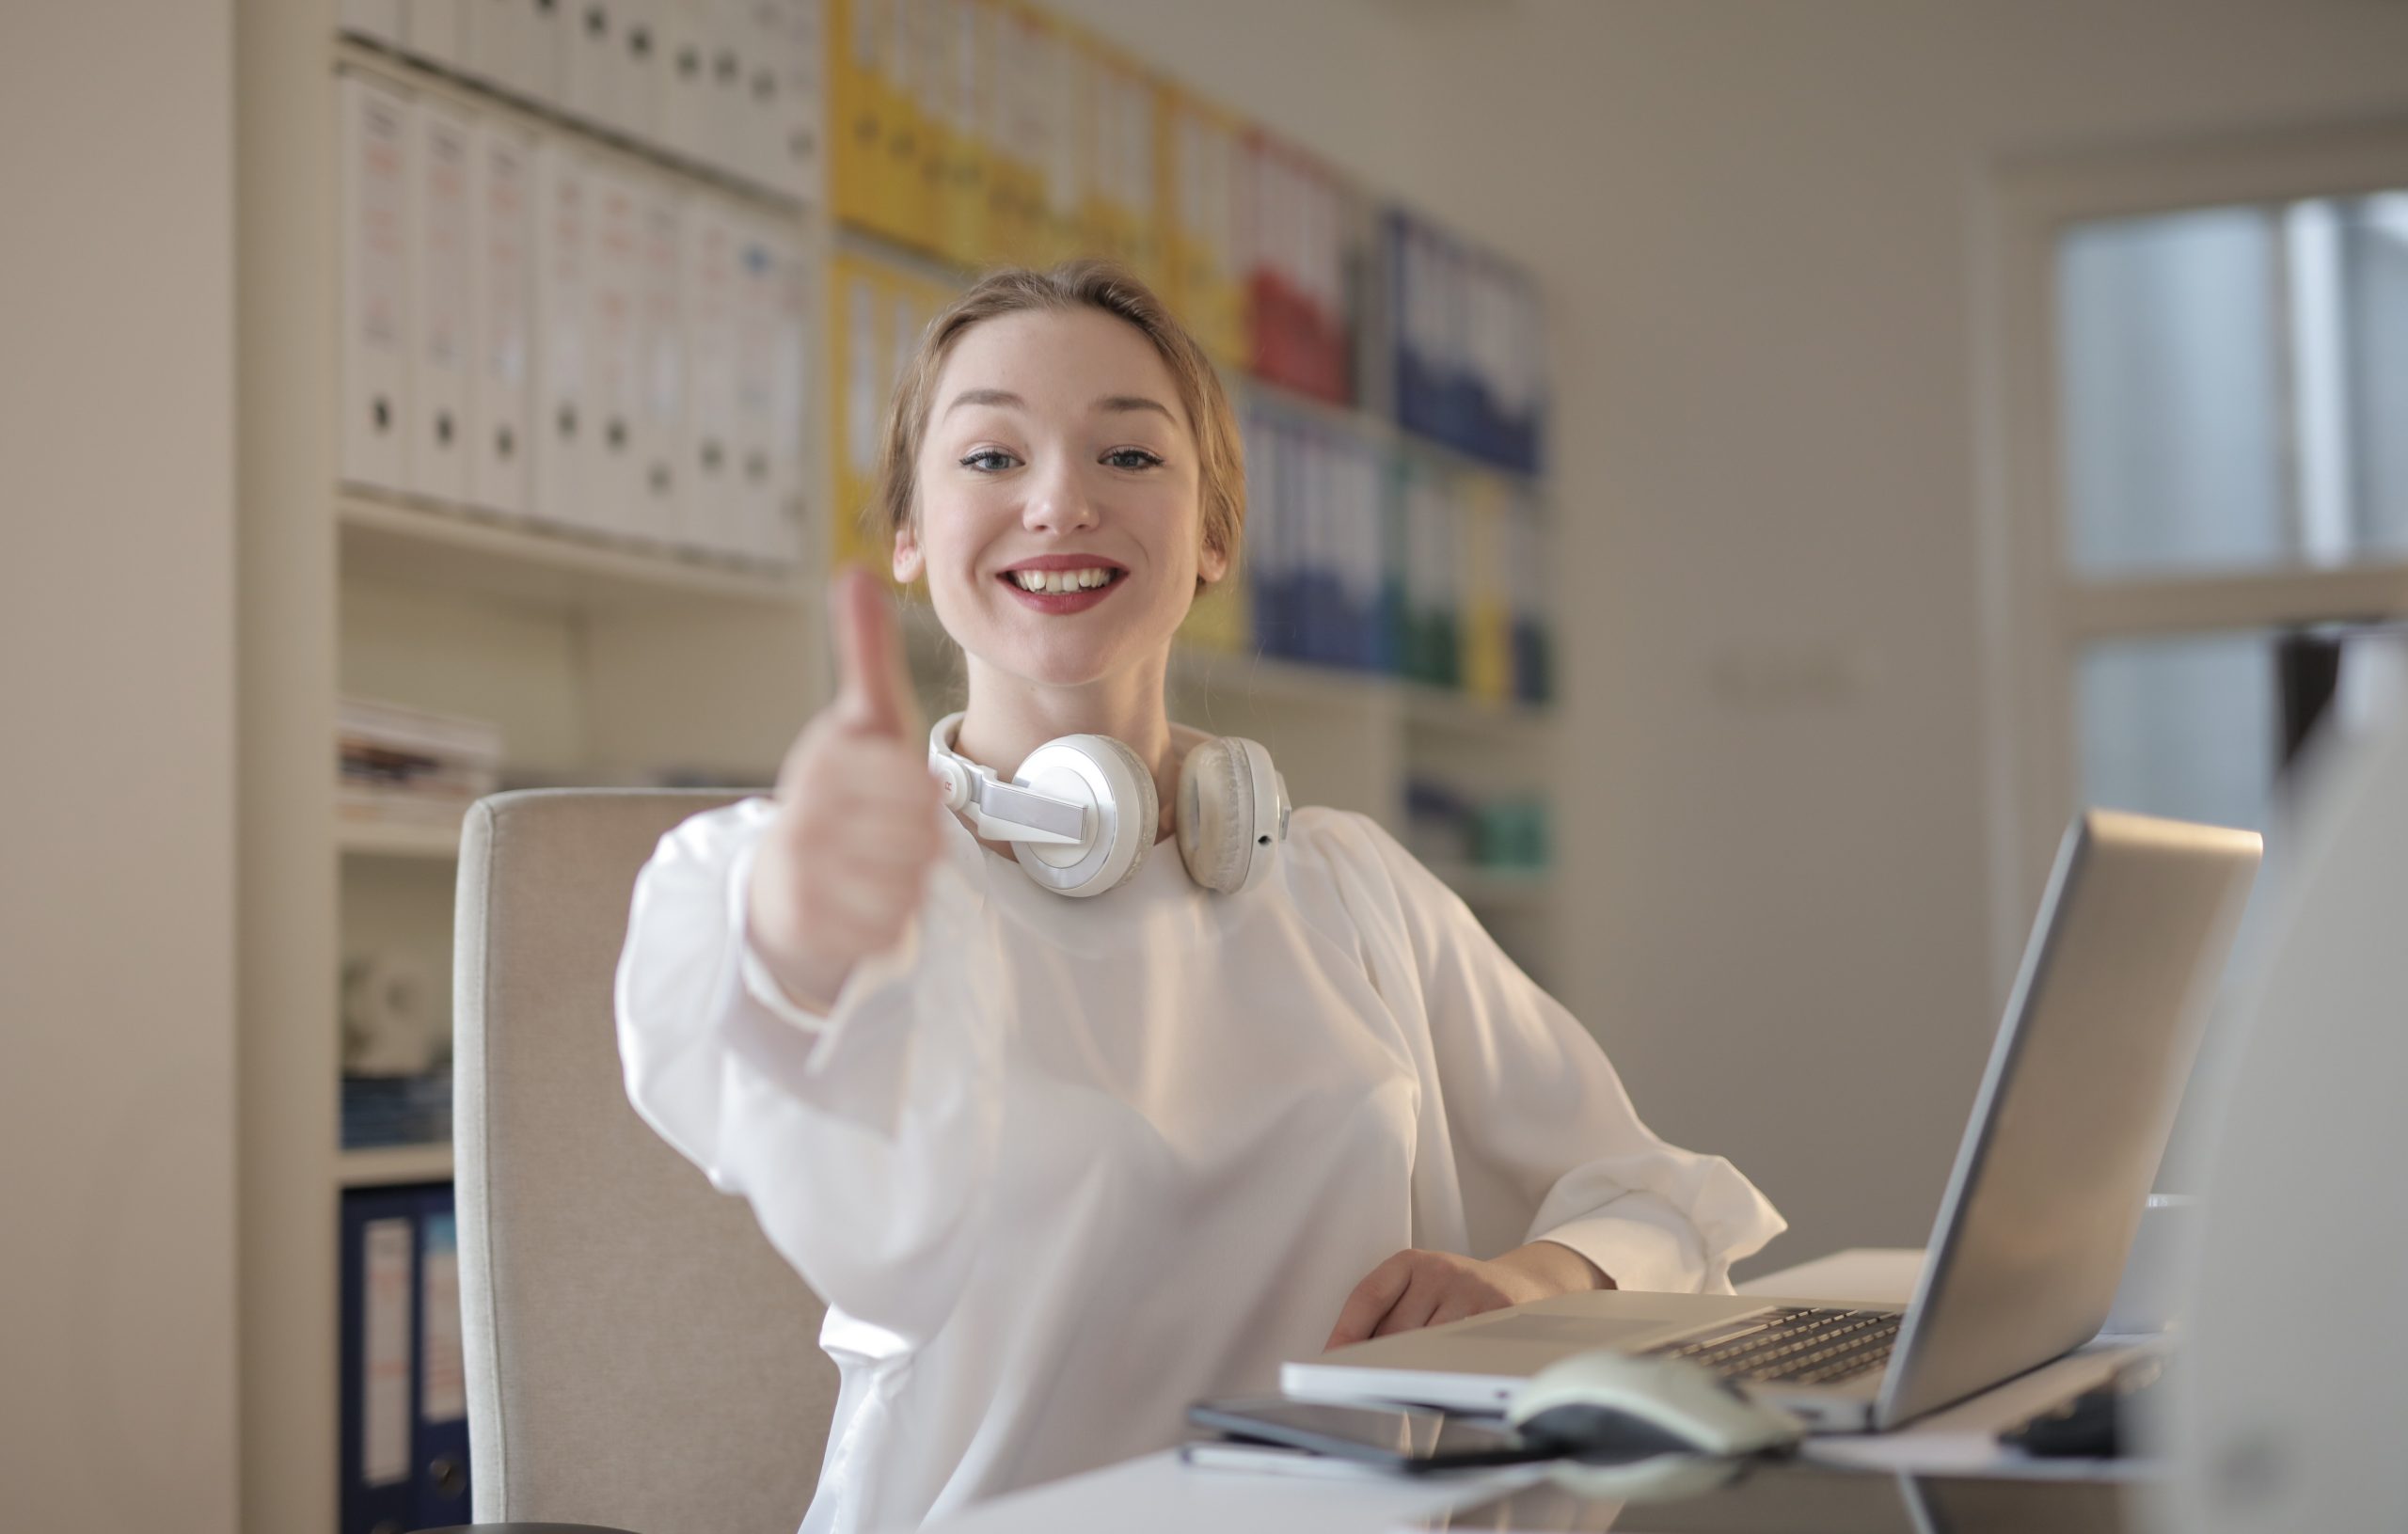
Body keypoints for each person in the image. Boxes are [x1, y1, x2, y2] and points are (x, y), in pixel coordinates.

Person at [614, 261, 1783, 1534]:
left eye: (1127, 457)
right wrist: (796, 931)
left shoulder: (1346, 886)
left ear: (1215, 535)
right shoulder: (858, 882)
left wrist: (1528, 1277)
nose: (1058, 500)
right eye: (992, 458)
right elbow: (747, 1030)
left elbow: (1664, 1201)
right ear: (907, 536)